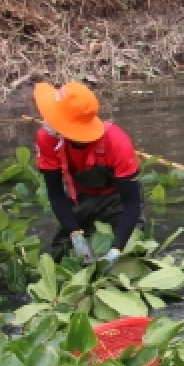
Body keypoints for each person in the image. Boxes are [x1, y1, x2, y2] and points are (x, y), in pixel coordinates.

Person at [33, 80, 143, 265]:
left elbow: (132, 203)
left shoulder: (117, 143)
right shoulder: (47, 138)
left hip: (118, 200)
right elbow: (55, 192)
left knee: (132, 257)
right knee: (61, 253)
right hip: (80, 197)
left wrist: (117, 250)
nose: (45, 120)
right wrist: (74, 233)